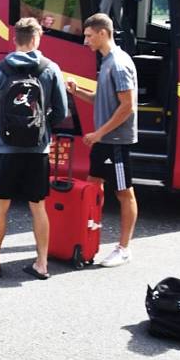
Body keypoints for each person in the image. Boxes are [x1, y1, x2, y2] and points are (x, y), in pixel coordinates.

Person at [0, 17, 68, 280]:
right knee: (38, 206)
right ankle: (41, 263)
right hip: (37, 150)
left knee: (1, 206)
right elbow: (61, 111)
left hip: (5, 149)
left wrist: (4, 131)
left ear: (15, 38)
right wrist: (42, 131)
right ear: (37, 38)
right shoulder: (50, 68)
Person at [67, 13, 138, 267]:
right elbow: (102, 99)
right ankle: (88, 238)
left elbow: (127, 106)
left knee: (123, 192)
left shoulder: (118, 63)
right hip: (105, 140)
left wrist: (99, 134)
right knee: (93, 188)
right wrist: (77, 93)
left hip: (115, 141)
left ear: (102, 33)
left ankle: (124, 248)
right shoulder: (108, 61)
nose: (85, 40)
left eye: (88, 35)